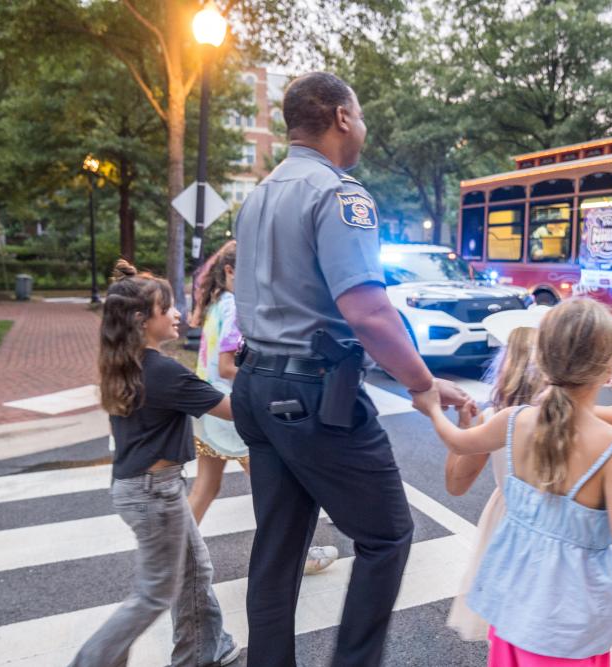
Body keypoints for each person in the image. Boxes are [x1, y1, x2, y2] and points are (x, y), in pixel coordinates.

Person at [231, 71, 473, 667]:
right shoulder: (341, 194)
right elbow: (368, 312)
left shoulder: (257, 196)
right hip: (316, 392)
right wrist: (422, 384)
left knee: (277, 550)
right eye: (360, 115)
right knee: (387, 534)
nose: (362, 126)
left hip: (256, 386)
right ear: (341, 117)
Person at [413, 299, 612, 665]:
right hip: (567, 628)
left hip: (510, 608)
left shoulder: (514, 420)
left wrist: (433, 407)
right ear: (609, 365)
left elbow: (457, 442)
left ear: (542, 360)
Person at [446, 322, 612, 643]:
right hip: (563, 529)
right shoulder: (580, 419)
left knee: (511, 623)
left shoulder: (496, 419)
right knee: (551, 626)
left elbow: (456, 485)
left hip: (508, 525)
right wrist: (604, 369)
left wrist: (462, 425)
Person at [71, 260, 239, 667]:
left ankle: (202, 651)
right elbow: (234, 410)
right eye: (169, 309)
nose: (179, 314)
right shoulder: (163, 372)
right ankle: (91, 661)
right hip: (153, 492)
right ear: (142, 320)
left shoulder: (126, 362)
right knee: (154, 593)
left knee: (194, 572)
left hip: (148, 487)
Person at [188, 241, 339, 573]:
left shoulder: (217, 304)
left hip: (207, 408)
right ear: (230, 271)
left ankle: (174, 554)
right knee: (276, 491)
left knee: (206, 486)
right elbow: (228, 366)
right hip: (232, 410)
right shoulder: (233, 308)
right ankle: (299, 555)